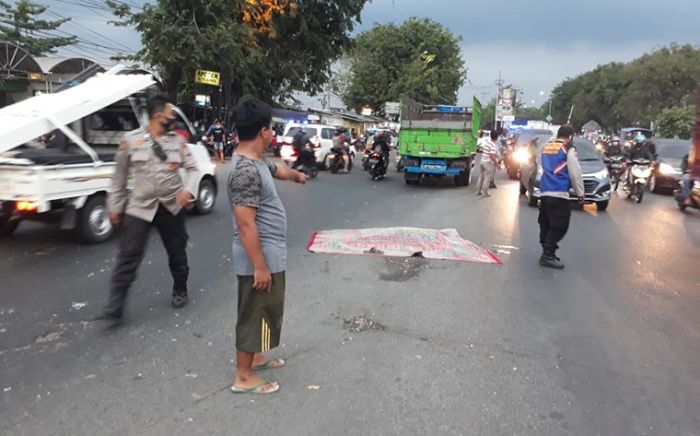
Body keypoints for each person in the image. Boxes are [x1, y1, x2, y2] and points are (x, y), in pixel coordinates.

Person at [228, 96, 307, 394]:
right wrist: (259, 266)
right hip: (258, 256)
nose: (273, 133)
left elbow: (278, 170)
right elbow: (246, 223)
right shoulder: (245, 171)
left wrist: (297, 175)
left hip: (268, 253)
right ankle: (243, 376)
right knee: (253, 312)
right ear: (262, 131)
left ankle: (256, 357)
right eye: (271, 129)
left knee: (264, 310)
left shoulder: (257, 162)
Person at [98, 96, 200, 322]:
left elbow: (193, 169)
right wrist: (115, 207)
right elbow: (119, 178)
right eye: (170, 113)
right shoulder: (131, 141)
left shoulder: (178, 142)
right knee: (128, 254)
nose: (173, 117)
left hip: (171, 206)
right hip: (140, 206)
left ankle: (180, 289)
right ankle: (115, 304)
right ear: (158, 116)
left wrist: (188, 191)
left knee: (177, 252)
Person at [537, 125, 584, 269]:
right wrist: (580, 192)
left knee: (546, 223)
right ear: (570, 137)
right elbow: (574, 172)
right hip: (559, 192)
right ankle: (547, 255)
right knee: (560, 225)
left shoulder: (546, 147)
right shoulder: (567, 149)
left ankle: (548, 252)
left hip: (544, 191)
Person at [476, 130, 500, 197]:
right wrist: (497, 164)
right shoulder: (493, 145)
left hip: (482, 161)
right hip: (488, 163)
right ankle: (485, 192)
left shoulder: (487, 143)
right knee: (487, 178)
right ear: (497, 137)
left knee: (481, 177)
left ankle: (478, 191)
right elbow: (492, 155)